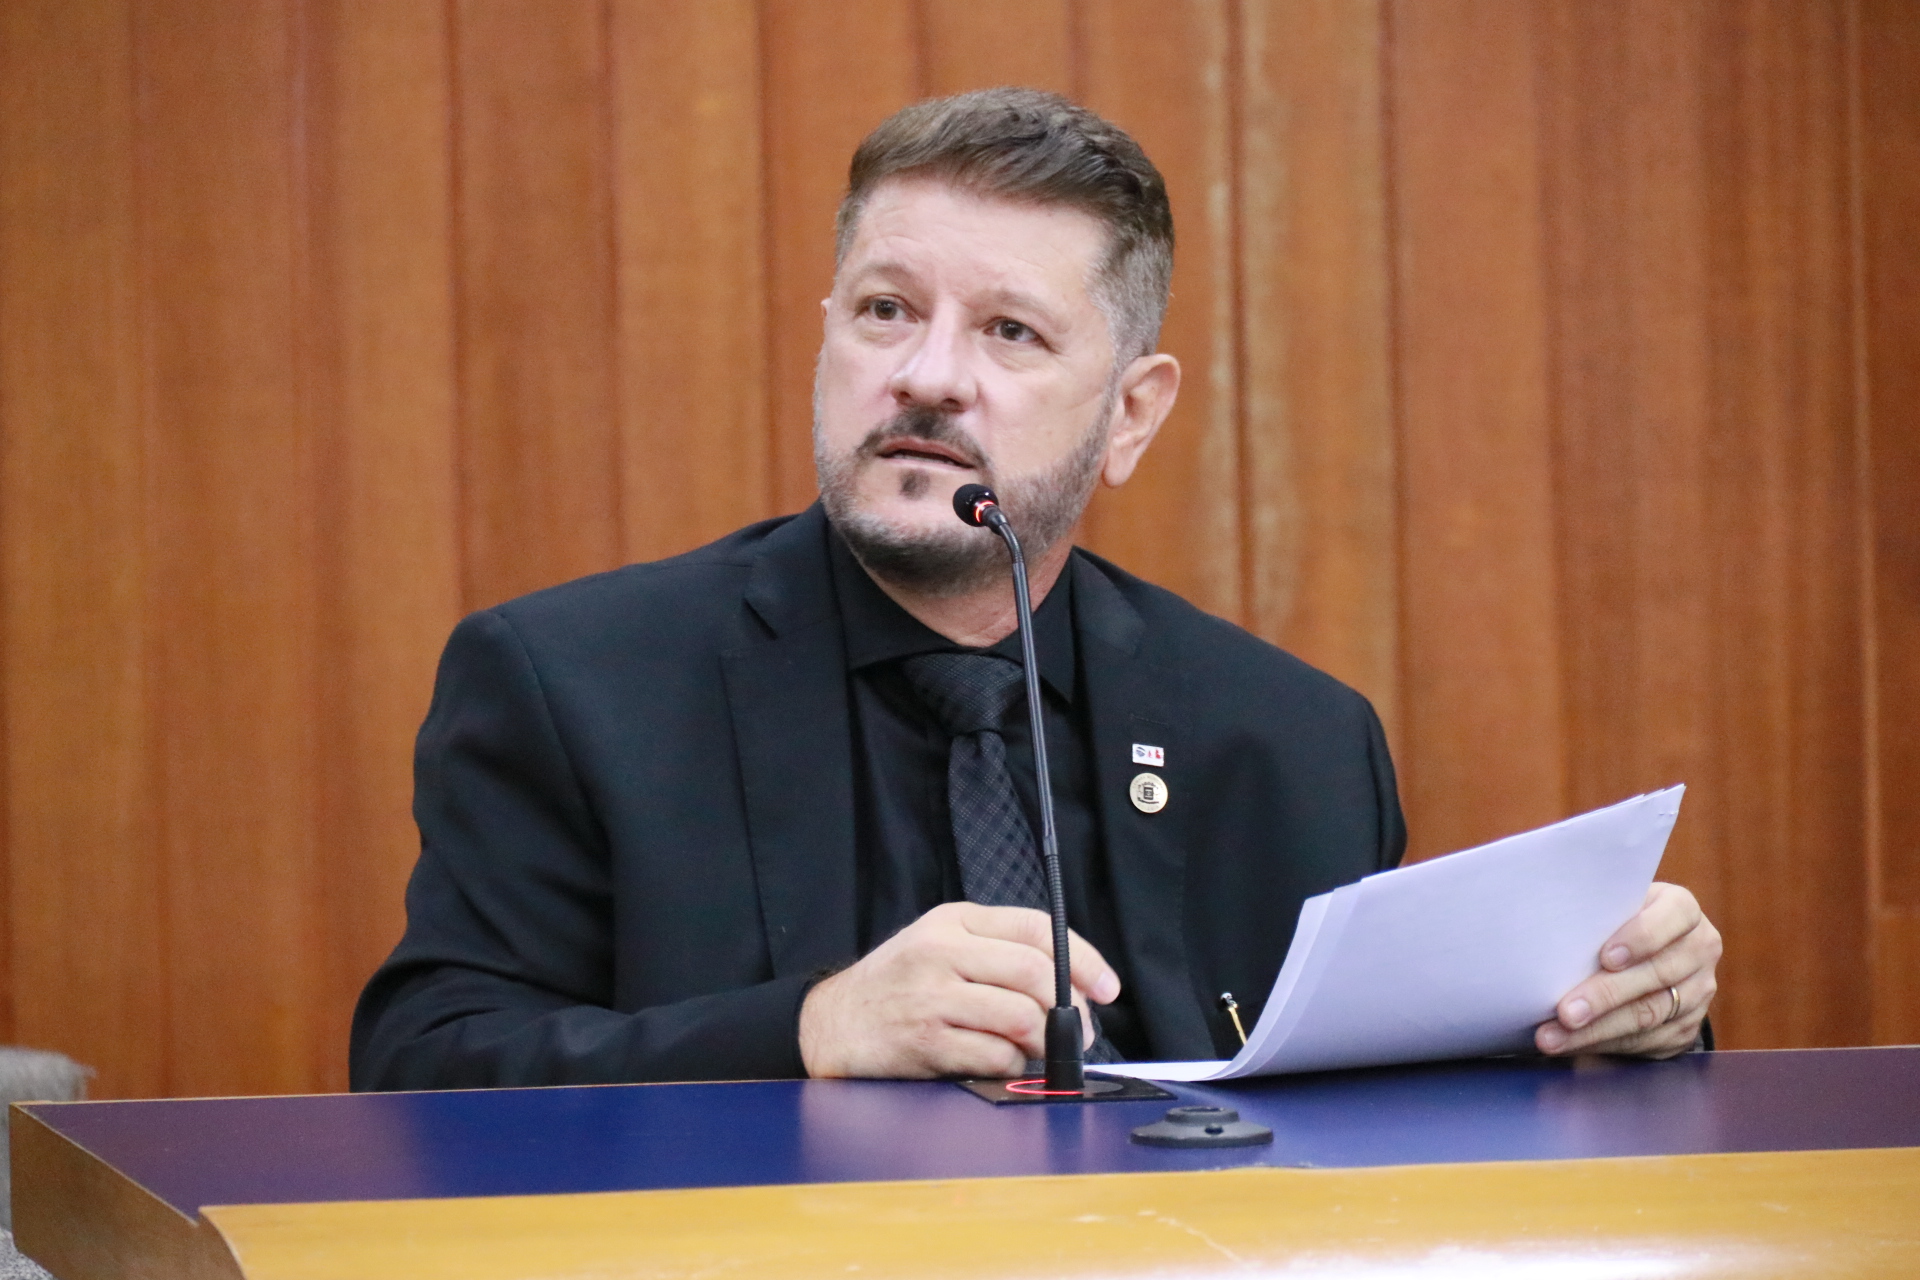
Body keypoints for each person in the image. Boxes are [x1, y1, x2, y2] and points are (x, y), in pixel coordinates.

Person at [350, 88, 1720, 1090]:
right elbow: (423, 1066)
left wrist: (1609, 1007)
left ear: (1131, 415)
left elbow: (1394, 1085)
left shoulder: (1288, 739)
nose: (928, 376)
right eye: (886, 310)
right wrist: (811, 1028)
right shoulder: (578, 684)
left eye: (1009, 332)